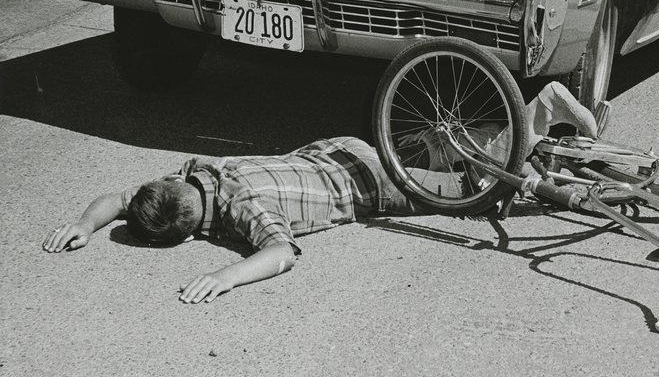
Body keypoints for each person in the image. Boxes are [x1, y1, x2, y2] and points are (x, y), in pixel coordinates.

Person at [42, 83, 598, 304]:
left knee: (478, 189)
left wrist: (226, 276)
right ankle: (526, 122)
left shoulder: (241, 211)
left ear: (187, 233)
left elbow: (281, 253)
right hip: (340, 148)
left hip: (369, 186)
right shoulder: (201, 170)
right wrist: (86, 223)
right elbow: (121, 197)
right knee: (440, 148)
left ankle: (539, 116)